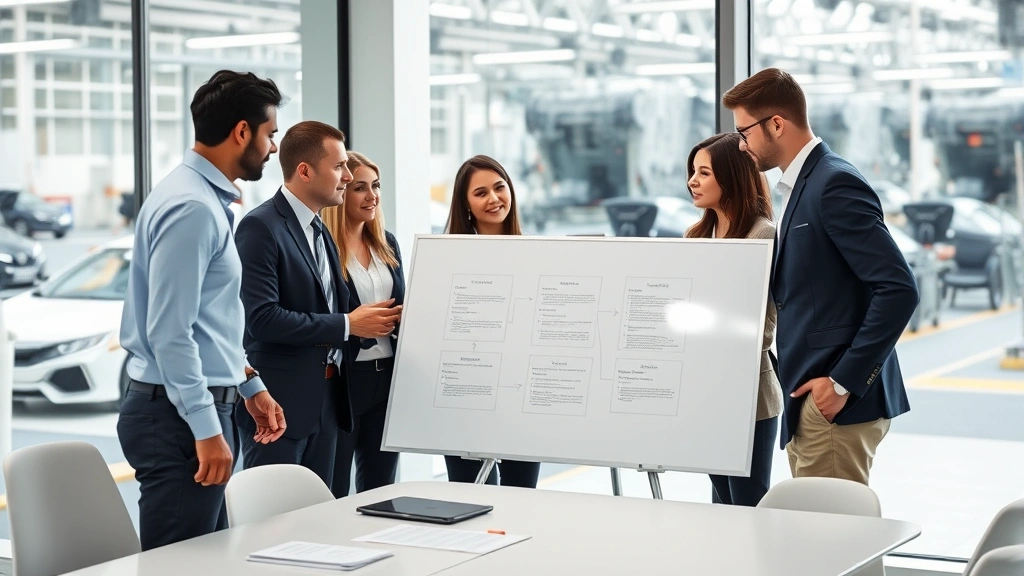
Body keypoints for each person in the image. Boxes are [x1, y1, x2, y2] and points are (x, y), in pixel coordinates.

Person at [723, 68, 919, 485]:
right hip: (814, 404)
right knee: (834, 541)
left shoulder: (834, 183)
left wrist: (843, 383)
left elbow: (898, 289)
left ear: (776, 124)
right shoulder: (802, 186)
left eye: (745, 133)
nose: (741, 145)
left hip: (835, 407)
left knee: (833, 543)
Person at [118, 70, 287, 551]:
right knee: (181, 565)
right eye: (270, 134)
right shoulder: (192, 207)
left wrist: (247, 383)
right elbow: (171, 332)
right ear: (241, 132)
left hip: (192, 407)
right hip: (176, 418)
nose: (273, 147)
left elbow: (211, 321)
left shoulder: (201, 199)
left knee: (207, 560)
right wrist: (206, 426)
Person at [234, 121, 402, 487]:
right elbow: (261, 319)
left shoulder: (319, 229)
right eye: (339, 167)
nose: (346, 175)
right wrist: (347, 324)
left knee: (322, 524)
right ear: (305, 171)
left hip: (329, 402)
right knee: (275, 528)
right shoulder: (260, 227)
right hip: (279, 407)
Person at [684, 132, 782, 506]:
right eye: (693, 171)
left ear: (732, 176)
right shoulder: (697, 236)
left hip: (750, 396)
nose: (692, 181)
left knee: (747, 505)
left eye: (704, 172)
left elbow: (763, 328)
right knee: (720, 505)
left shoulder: (762, 235)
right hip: (706, 392)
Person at [442, 154, 541, 488]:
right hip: (466, 394)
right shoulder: (447, 258)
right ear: (465, 204)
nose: (494, 199)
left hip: (520, 396)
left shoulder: (540, 254)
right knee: (469, 494)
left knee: (522, 494)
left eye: (499, 188)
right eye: (480, 193)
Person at [321, 151, 404, 497]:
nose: (372, 196)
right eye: (359, 188)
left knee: (381, 488)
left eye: (376, 186)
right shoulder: (324, 247)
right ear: (341, 192)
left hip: (389, 380)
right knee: (335, 486)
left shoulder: (387, 243)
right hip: (344, 383)